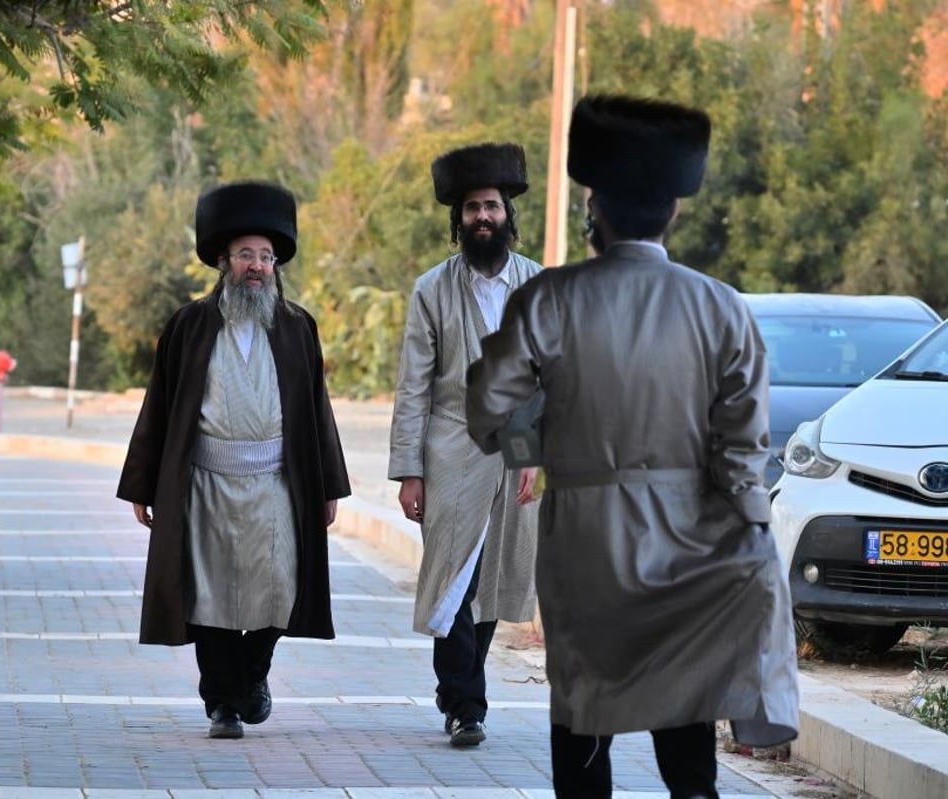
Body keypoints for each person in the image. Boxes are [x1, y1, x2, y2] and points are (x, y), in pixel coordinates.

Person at [465, 95, 800, 798]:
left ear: (595, 208)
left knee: (583, 707)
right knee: (685, 717)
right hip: (695, 542)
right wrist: (746, 532)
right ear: (674, 210)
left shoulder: (547, 300)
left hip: (586, 539)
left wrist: (542, 440)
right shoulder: (721, 307)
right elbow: (744, 451)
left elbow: (488, 410)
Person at [117, 180, 351, 741]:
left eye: (267, 257)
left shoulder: (297, 327)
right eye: (246, 254)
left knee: (280, 590)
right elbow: (160, 408)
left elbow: (317, 409)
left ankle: (254, 675)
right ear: (223, 260)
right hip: (206, 483)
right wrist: (146, 486)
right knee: (210, 596)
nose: (257, 266)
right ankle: (221, 701)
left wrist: (328, 488)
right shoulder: (189, 326)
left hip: (275, 482)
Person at [388, 142, 542, 747]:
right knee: (453, 577)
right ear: (459, 220)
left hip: (514, 453)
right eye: (473, 208)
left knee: (494, 581)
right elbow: (414, 384)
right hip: (450, 449)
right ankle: (465, 705)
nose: (484, 217)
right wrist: (409, 471)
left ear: (508, 215)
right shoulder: (432, 289)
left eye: (493, 207)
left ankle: (461, 691)